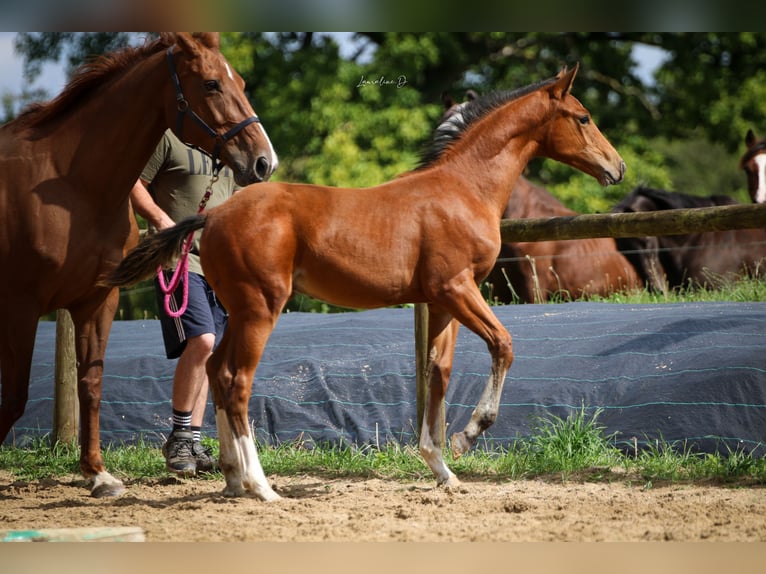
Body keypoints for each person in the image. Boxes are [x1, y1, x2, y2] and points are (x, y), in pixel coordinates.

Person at [129, 129, 242, 476]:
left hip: (217, 264)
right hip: (178, 260)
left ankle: (191, 439)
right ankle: (179, 435)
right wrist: (161, 220)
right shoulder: (167, 138)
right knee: (203, 340)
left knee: (213, 351)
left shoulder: (228, 151)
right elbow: (133, 182)